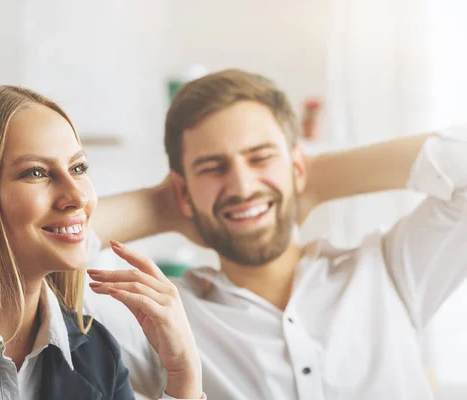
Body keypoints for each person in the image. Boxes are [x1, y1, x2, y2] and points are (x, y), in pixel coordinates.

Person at [85, 69, 467, 400]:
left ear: (297, 167)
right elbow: (32, 256)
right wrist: (162, 208)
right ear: (183, 193)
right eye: (213, 167)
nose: (242, 185)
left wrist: (314, 181)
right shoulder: (160, 318)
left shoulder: (388, 271)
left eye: (260, 157)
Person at [0, 86, 204, 399]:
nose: (76, 196)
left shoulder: (98, 354)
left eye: (78, 167)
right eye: (36, 172)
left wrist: (183, 375)